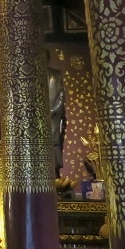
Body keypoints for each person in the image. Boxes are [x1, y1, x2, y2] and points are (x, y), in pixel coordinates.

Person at [47, 51, 67, 179]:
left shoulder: (56, 74)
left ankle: (55, 173)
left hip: (54, 117)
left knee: (54, 143)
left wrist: (54, 110)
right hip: (37, 118)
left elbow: (61, 96)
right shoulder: (32, 76)